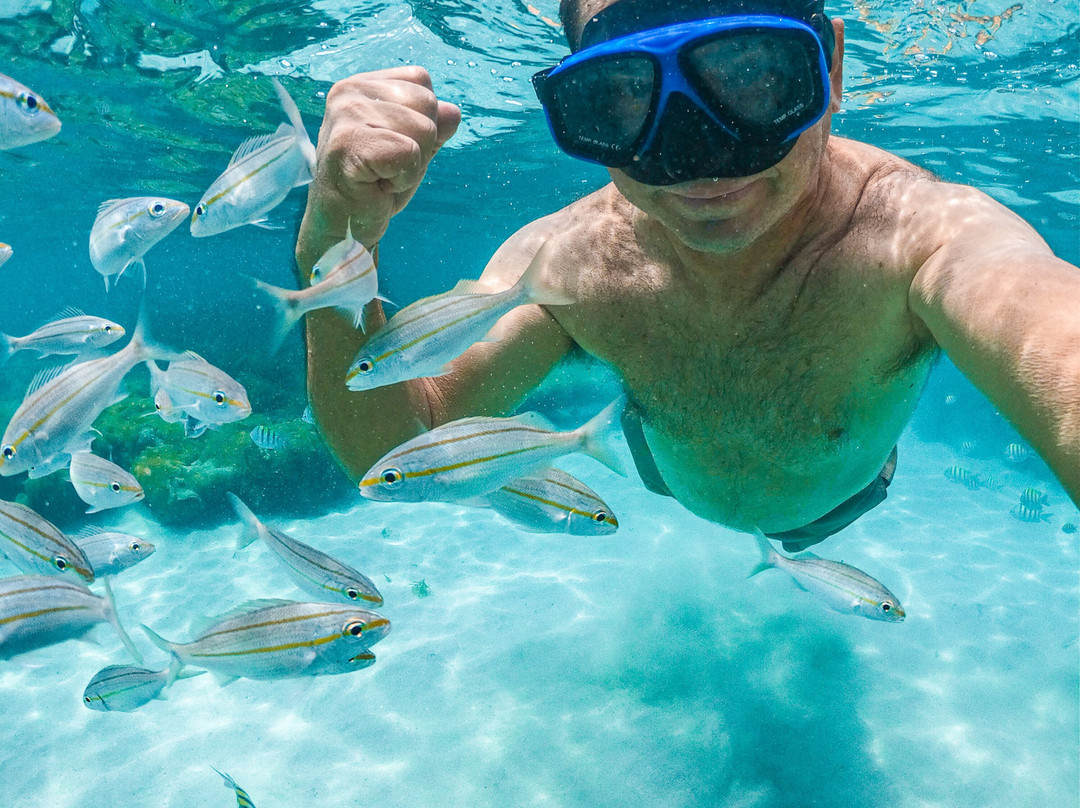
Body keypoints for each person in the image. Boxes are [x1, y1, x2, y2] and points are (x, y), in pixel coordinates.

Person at [293, 0, 1080, 548]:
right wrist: (334, 246)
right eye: (624, 96)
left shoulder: (923, 237)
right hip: (670, 474)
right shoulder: (570, 263)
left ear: (830, 66)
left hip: (842, 501)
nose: (698, 158)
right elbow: (399, 449)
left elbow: (1049, 328)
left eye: (749, 74)